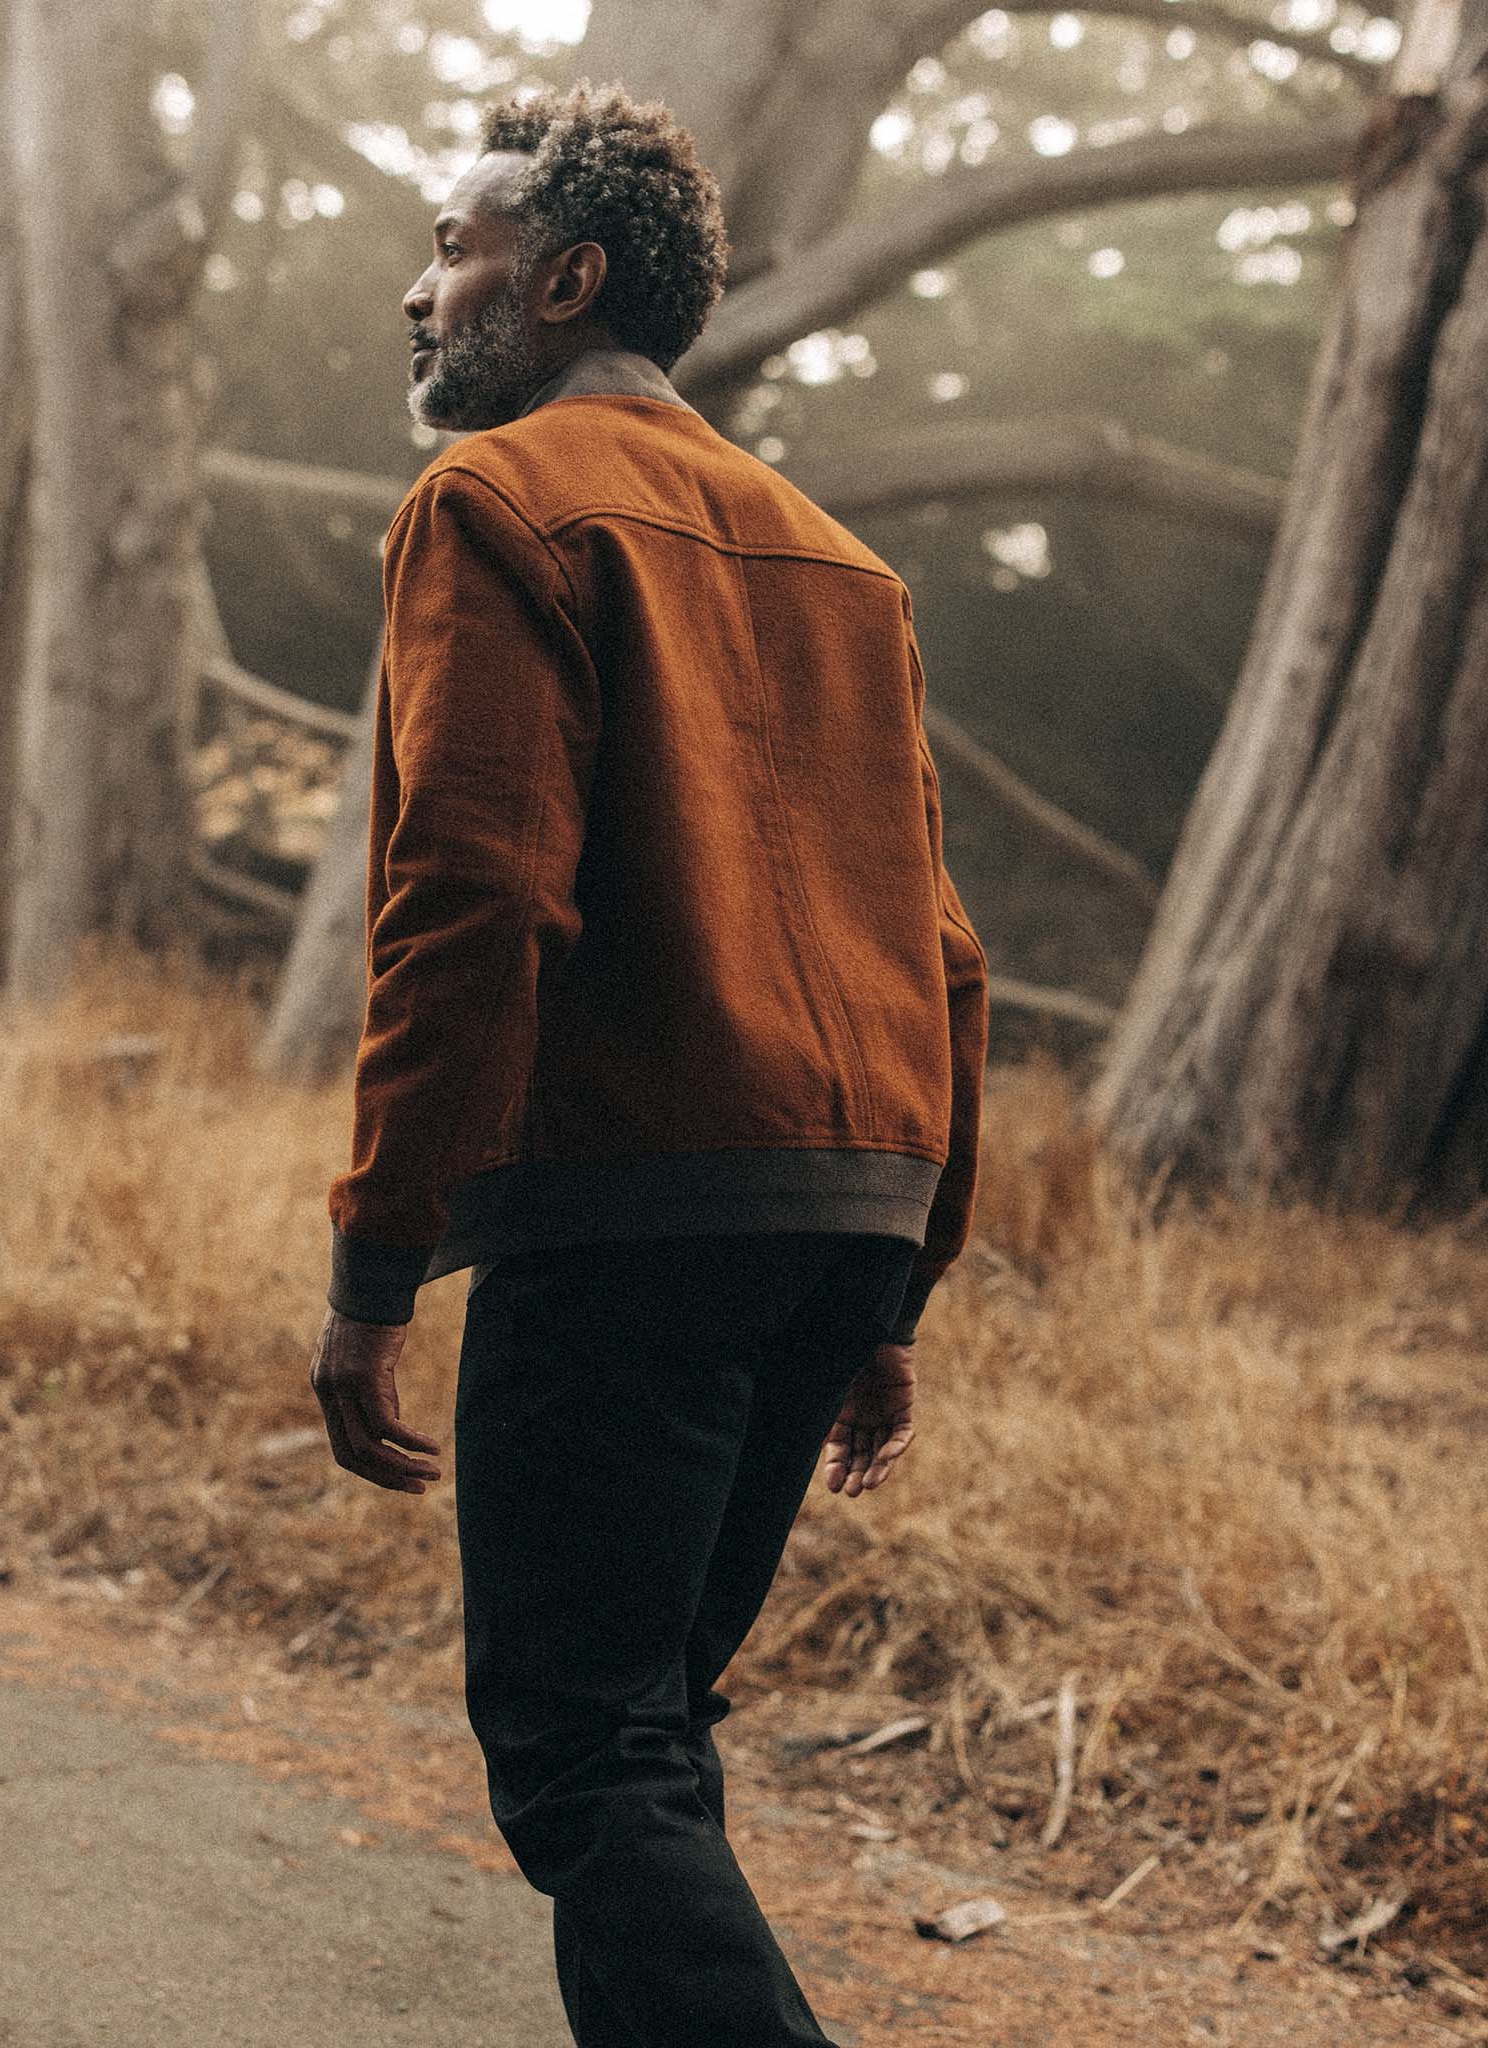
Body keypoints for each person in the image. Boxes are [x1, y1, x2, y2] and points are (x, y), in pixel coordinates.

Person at [306, 80, 990, 2048]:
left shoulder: (495, 501)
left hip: (631, 1212)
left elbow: (470, 899)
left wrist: (376, 1265)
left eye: (454, 248)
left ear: (567, 275)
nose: (417, 294)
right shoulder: (841, 563)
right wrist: (894, 1287)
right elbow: (942, 950)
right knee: (645, 1725)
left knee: (578, 1747)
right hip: (842, 1207)